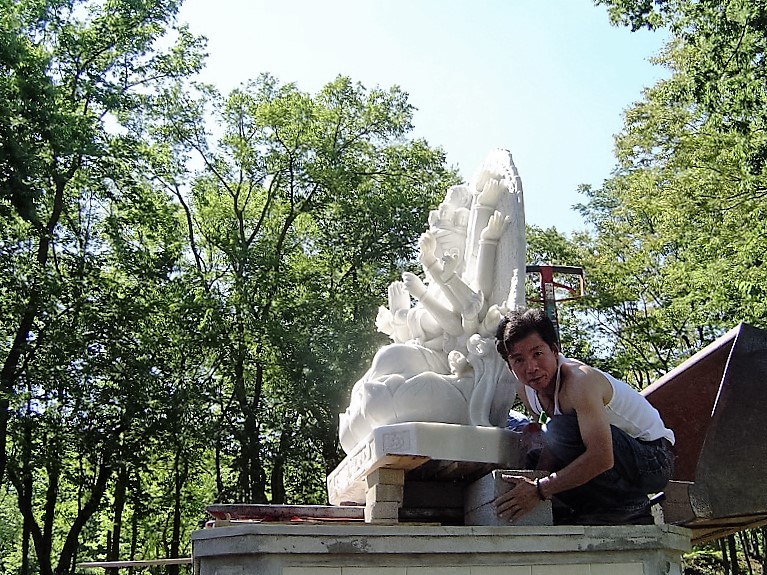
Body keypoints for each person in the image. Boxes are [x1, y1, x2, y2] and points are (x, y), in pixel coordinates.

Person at [493, 309, 675, 525]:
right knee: (535, 453)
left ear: (554, 350)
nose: (531, 368)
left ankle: (630, 507)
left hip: (654, 459)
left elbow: (602, 457)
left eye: (538, 354)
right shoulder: (525, 389)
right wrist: (533, 481)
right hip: (615, 457)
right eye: (518, 360)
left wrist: (540, 489)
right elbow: (551, 448)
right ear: (509, 366)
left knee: (561, 430)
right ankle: (590, 509)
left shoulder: (580, 381)